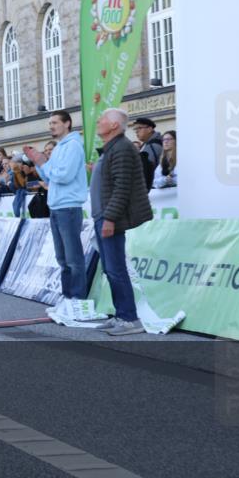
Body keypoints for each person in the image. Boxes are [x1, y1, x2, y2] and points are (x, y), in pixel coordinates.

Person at [91, 108, 153, 335]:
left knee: (116, 269)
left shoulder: (123, 148)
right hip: (102, 217)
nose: (98, 122)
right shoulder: (111, 149)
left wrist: (109, 219)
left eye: (102, 119)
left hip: (110, 218)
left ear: (114, 125)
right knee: (110, 268)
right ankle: (121, 315)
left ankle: (129, 319)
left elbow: (122, 188)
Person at [24, 110, 88, 303]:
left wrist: (43, 162)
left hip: (68, 206)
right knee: (62, 258)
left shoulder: (73, 146)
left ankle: (77, 299)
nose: (51, 126)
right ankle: (67, 298)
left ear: (67, 123)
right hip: (57, 206)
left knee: (73, 259)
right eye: (49, 123)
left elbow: (63, 176)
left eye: (54, 122)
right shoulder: (61, 147)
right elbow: (50, 176)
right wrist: (38, 163)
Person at [131, 117, 163, 188]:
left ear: (149, 129)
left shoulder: (153, 146)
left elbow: (145, 169)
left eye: (139, 128)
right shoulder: (147, 144)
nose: (136, 131)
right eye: (135, 129)